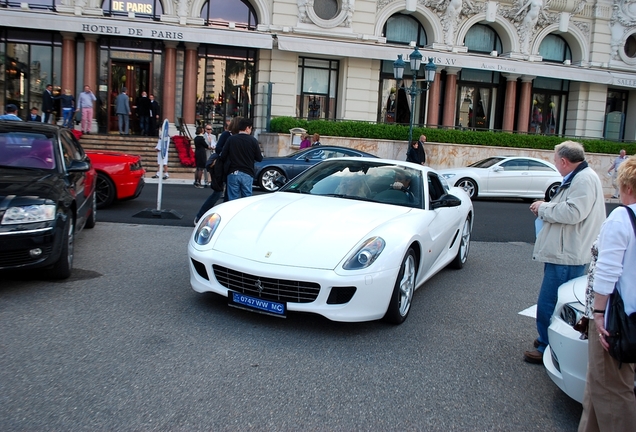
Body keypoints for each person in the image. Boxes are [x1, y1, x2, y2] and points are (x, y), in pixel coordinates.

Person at [524, 140, 606, 364]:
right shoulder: (583, 177)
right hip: (568, 250)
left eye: (555, 160)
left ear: (563, 161)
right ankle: (548, 341)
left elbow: (573, 212)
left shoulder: (583, 179)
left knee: (551, 303)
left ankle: (547, 347)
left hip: (567, 252)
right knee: (559, 301)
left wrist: (543, 208)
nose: (555, 163)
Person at [578, 156, 636, 432]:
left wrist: (598, 314)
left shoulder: (623, 218)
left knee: (613, 391)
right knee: (598, 384)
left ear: (628, 186)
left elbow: (607, 270)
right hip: (631, 319)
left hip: (616, 318)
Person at [194, 117, 240, 225]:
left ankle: (223, 220)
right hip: (221, 167)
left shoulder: (236, 136)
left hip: (230, 168)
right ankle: (200, 216)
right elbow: (219, 149)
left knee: (228, 195)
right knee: (218, 193)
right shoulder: (227, 135)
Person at [219, 118, 263, 201]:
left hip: (233, 172)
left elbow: (223, 156)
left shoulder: (231, 139)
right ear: (247, 128)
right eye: (250, 128)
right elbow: (259, 158)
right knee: (246, 199)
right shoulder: (253, 140)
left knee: (232, 199)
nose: (251, 130)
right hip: (247, 172)